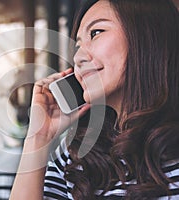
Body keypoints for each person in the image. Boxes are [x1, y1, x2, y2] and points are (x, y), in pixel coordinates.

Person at [10, 0, 179, 199]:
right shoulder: (75, 153)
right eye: (78, 45)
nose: (78, 56)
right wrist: (38, 138)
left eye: (96, 33)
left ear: (148, 36)